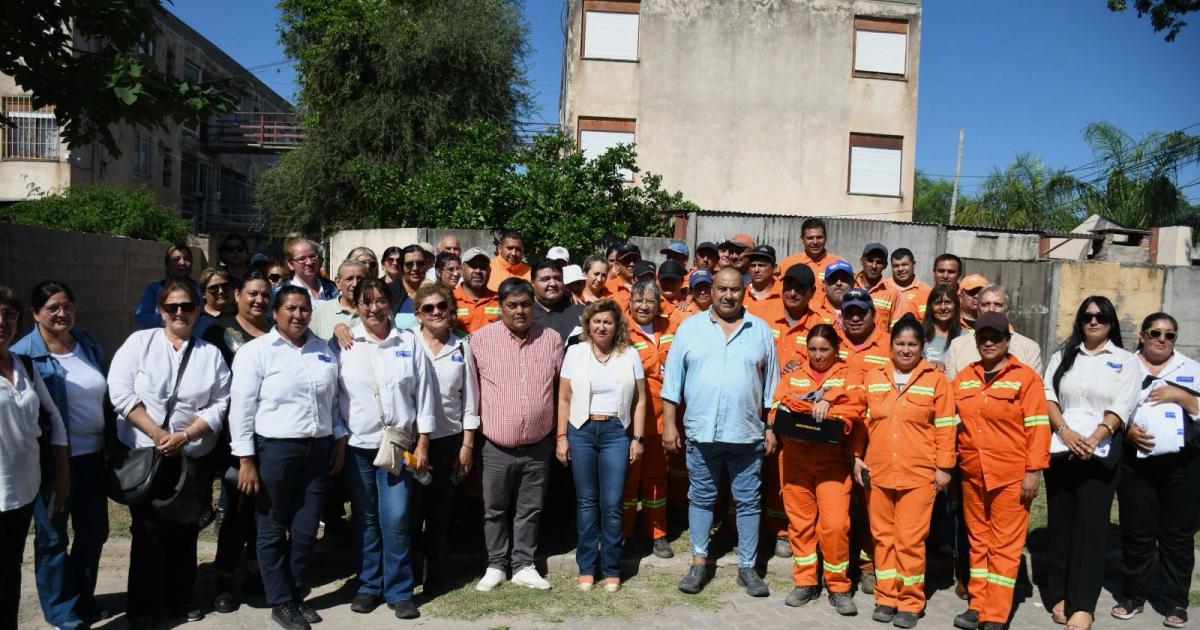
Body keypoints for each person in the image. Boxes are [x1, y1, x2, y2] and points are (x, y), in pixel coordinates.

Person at [108, 280, 231, 624]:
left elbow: (221, 403)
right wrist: (160, 434)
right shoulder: (140, 343)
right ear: (161, 311)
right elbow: (120, 392)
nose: (180, 312)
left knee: (185, 529)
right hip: (147, 454)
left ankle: (180, 599)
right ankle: (144, 606)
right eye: (172, 307)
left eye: (187, 306)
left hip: (191, 457)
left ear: (197, 310)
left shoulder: (210, 354)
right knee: (147, 532)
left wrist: (186, 435)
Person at [228, 286, 347, 630]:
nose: (298, 315)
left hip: (318, 451)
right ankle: (281, 600)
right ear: (276, 313)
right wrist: (246, 459)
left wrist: (338, 440)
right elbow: (242, 408)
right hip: (275, 451)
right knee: (271, 528)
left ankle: (295, 594)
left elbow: (334, 400)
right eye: (291, 308)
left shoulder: (322, 349)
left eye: (304, 309)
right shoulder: (257, 352)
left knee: (306, 530)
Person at [661, 268, 779, 597]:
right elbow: (672, 382)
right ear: (711, 290)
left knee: (748, 501)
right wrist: (669, 423)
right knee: (700, 497)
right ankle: (699, 563)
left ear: (745, 292)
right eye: (722, 289)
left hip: (746, 433)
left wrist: (770, 426)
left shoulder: (761, 330)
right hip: (701, 432)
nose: (728, 296)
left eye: (735, 290)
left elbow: (772, 388)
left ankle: (748, 568)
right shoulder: (690, 328)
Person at [335, 277, 437, 621]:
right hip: (359, 447)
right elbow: (334, 398)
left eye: (380, 300)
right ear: (357, 306)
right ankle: (369, 585)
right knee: (365, 519)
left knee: (395, 518)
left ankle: (399, 590)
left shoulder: (408, 342)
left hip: (398, 445)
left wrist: (423, 441)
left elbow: (425, 397)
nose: (374, 308)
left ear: (390, 303)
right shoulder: (345, 344)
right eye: (366, 302)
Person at [12, 282, 111, 629]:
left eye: (67, 306)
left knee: (94, 532)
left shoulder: (86, 343)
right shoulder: (24, 354)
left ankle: (83, 598)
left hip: (92, 458)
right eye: (52, 308)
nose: (61, 314)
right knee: (53, 537)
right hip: (52, 463)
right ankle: (61, 614)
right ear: (36, 313)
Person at [1042, 296, 1139, 630]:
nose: (1094, 322)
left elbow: (1123, 404)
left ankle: (1083, 603)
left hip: (1100, 454)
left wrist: (1094, 439)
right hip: (1062, 450)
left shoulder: (1126, 361)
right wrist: (1066, 433)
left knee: (1091, 529)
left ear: (1111, 322)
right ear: (1080, 321)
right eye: (1087, 316)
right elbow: (1049, 396)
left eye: (1101, 317)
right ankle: (1059, 594)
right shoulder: (1062, 356)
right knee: (1061, 525)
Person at [951, 311, 1050, 630]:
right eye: (983, 337)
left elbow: (1038, 428)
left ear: (1008, 340)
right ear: (976, 340)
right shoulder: (965, 376)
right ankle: (977, 605)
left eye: (996, 337)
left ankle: (995, 613)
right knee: (978, 542)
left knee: (1004, 545)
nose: (989, 342)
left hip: (1011, 476)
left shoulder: (1025, 378)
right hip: (972, 473)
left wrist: (1033, 471)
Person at [857, 315, 956, 628]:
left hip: (918, 475)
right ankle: (886, 596)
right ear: (891, 345)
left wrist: (944, 468)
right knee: (882, 538)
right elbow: (861, 422)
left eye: (912, 344)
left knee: (910, 540)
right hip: (879, 471)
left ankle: (910, 601)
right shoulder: (874, 377)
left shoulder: (936, 380)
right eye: (900, 343)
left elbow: (945, 427)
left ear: (921, 347)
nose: (905, 349)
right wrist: (855, 456)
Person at [470, 279, 565, 592]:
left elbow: (560, 388)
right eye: (513, 305)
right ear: (501, 307)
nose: (520, 311)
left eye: (525, 304)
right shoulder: (480, 340)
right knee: (493, 509)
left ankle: (524, 564)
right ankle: (496, 564)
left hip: (538, 445)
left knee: (530, 509)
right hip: (496, 446)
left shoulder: (550, 339)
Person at [1112, 313, 1200, 628]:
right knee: (1137, 532)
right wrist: (1126, 431)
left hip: (1183, 467)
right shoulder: (1123, 365)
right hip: (1137, 466)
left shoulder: (1191, 368)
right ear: (1142, 336)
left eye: (1170, 335)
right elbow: (1108, 407)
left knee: (1178, 536)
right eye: (1155, 333)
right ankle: (1133, 595)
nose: (1162, 339)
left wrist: (1183, 397)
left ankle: (1175, 600)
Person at [770, 324, 865, 614]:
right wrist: (793, 418)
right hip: (796, 461)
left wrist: (829, 401)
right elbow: (777, 406)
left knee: (835, 525)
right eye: (813, 349)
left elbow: (857, 406)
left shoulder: (849, 375)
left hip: (832, 463)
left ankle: (838, 586)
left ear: (836, 350)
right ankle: (806, 583)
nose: (818, 355)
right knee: (800, 524)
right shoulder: (793, 375)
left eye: (824, 349)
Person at [556, 300, 646, 592]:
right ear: (588, 325)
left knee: (612, 503)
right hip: (581, 430)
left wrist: (637, 437)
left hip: (615, 432)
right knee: (586, 501)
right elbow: (564, 398)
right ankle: (586, 567)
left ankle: (610, 567)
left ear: (617, 325)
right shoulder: (575, 352)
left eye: (607, 321)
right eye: (596, 321)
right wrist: (561, 437)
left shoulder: (629, 355)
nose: (601, 327)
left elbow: (640, 400)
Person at [201, 272, 273, 614]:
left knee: (265, 510)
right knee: (236, 509)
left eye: (264, 295)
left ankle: (258, 570)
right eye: (252, 294)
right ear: (238, 295)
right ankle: (224, 579)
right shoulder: (220, 332)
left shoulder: (278, 331)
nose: (259, 300)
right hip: (235, 437)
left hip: (273, 436)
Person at [0, 287, 69, 630]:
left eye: (8, 315)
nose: (2, 322)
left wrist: (60, 472)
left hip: (22, 490)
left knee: (10, 573)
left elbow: (54, 419)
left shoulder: (23, 364)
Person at [410, 284, 480, 594]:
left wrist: (467, 444)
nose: (436, 312)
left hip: (449, 441)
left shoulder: (462, 348)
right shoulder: (406, 343)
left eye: (442, 306)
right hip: (412, 442)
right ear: (418, 315)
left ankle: (436, 577)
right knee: (409, 512)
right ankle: (409, 574)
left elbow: (470, 401)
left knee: (441, 514)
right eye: (429, 308)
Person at [622, 281, 677, 558]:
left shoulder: (669, 328)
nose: (644, 306)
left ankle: (658, 533)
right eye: (639, 300)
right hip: (631, 420)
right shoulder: (621, 330)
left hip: (662, 417)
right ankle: (626, 533)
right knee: (629, 480)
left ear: (659, 304)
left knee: (657, 478)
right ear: (629, 302)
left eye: (650, 301)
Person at [944, 284, 1043, 377]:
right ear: (978, 311)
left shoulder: (1029, 349)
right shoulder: (957, 347)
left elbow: (1034, 390)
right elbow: (951, 390)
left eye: (998, 304)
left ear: (1006, 311)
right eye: (985, 304)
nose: (991, 309)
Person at [778, 218, 842, 311]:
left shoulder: (838, 263)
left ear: (826, 238)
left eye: (819, 237)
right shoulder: (787, 263)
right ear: (802, 239)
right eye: (810, 238)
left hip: (829, 321)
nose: (815, 242)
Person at [134, 243, 198, 329]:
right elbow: (141, 317)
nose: (182, 262)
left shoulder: (199, 289)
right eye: (176, 259)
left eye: (187, 259)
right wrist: (171, 319)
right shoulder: (155, 289)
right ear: (167, 265)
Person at [531, 260, 585, 346]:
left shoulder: (581, 312)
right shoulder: (524, 312)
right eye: (545, 279)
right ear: (532, 283)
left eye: (558, 279)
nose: (553, 283)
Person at [310, 260, 368, 340]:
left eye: (360, 279)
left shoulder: (376, 312)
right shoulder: (320, 312)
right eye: (349, 279)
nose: (355, 284)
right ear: (338, 282)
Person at [922, 284, 969, 370]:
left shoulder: (966, 337)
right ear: (930, 307)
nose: (943, 307)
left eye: (948, 302)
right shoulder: (919, 334)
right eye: (937, 303)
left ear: (956, 305)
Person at [855, 243, 901, 328]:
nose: (874, 266)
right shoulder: (849, 284)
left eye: (879, 262)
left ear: (885, 265)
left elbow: (894, 329)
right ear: (861, 260)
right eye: (870, 260)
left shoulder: (893, 293)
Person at [455, 248, 501, 333]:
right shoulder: (449, 299)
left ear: (489, 271)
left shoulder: (500, 301)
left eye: (483, 267)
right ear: (461, 270)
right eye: (473, 266)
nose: (478, 271)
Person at [281, 238, 338, 305]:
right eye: (302, 259)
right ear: (290, 265)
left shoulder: (332, 288)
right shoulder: (281, 292)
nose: (309, 262)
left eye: (312, 256)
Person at [743, 245, 783, 323]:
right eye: (752, 265)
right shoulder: (741, 293)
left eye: (761, 265)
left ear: (774, 268)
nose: (756, 270)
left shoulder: (784, 293)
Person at [890, 248, 931, 321]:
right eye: (896, 266)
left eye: (904, 265)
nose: (900, 269)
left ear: (913, 264)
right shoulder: (883, 287)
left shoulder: (927, 291)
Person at [813, 259, 855, 325]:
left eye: (844, 279)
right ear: (824, 285)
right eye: (833, 279)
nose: (838, 283)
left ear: (853, 283)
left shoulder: (863, 311)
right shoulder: (813, 311)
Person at [198, 267, 234, 338]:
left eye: (225, 286)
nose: (221, 291)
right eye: (214, 288)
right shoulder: (196, 317)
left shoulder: (239, 314)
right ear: (203, 293)